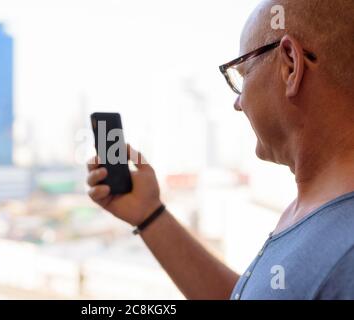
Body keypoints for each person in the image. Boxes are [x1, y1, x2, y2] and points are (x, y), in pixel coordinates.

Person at [86, 0, 354, 300]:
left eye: (242, 74)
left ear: (290, 64)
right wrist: (149, 214)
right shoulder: (317, 214)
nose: (238, 103)